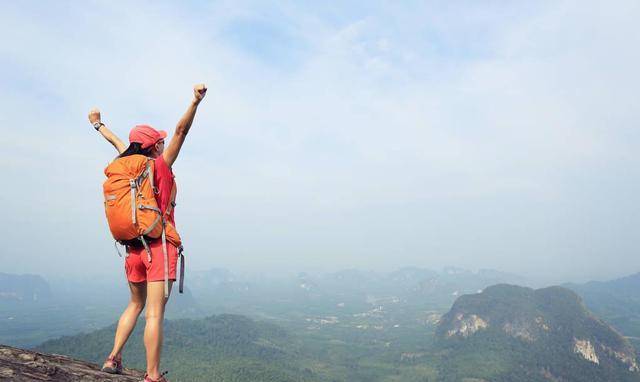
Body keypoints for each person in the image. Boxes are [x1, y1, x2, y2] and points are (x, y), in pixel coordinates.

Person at [88, 84, 207, 382]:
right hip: (159, 247)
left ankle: (113, 357)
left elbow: (117, 142)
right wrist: (195, 101)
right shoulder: (159, 166)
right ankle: (153, 376)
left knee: (134, 304)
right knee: (154, 314)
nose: (163, 145)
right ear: (154, 147)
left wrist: (97, 124)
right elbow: (181, 131)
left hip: (133, 250)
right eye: (160, 142)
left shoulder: (126, 164)